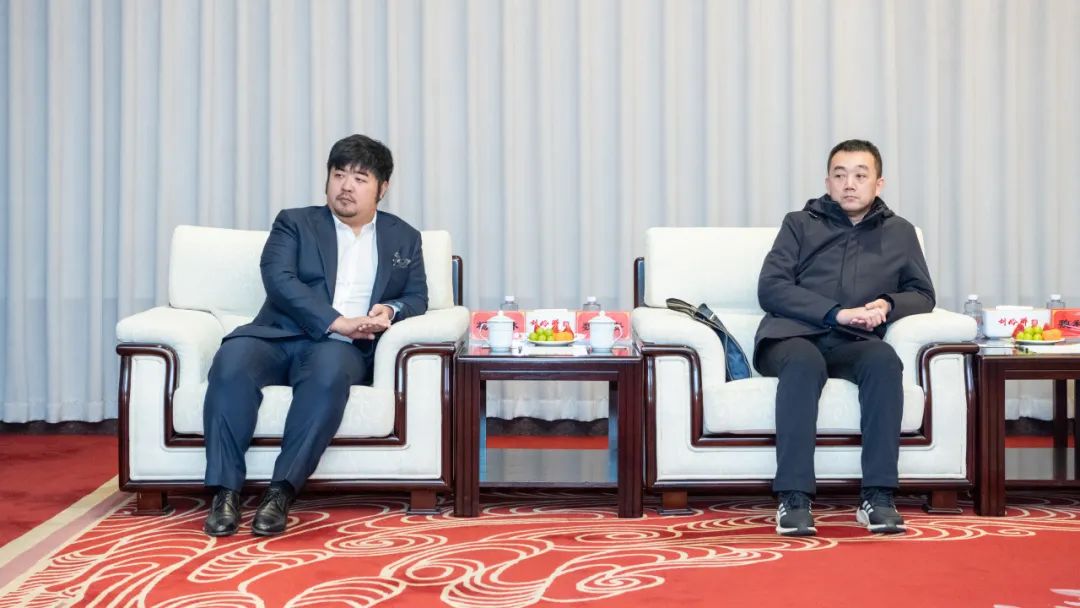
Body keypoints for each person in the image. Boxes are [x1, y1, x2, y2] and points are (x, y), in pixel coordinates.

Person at [201, 134, 428, 537]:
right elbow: (279, 279)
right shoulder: (294, 222)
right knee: (230, 363)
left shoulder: (404, 237)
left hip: (341, 348)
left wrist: (390, 310)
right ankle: (225, 492)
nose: (346, 186)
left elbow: (417, 297)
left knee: (327, 376)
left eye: (359, 178)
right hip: (276, 335)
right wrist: (336, 320)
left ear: (382, 188)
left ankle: (281, 492)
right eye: (338, 175)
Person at [754, 139, 934, 537]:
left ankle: (878, 496)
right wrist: (834, 312)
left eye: (860, 175)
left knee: (884, 360)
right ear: (828, 182)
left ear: (878, 183)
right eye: (840, 175)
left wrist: (888, 303)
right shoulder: (799, 224)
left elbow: (923, 294)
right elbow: (771, 288)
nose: (849, 184)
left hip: (853, 341)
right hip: (792, 336)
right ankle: (793, 497)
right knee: (805, 362)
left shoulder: (900, 233)